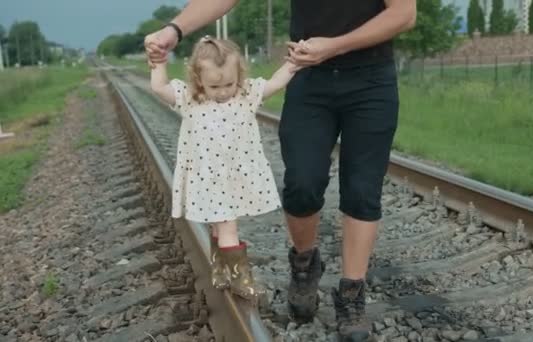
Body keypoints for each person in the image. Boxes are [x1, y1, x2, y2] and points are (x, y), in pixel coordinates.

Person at [145, 1, 416, 340]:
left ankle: (351, 296)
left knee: (362, 190)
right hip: (309, 77)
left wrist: (332, 46)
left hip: (371, 80)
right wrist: (174, 29)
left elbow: (404, 14)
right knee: (302, 183)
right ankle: (304, 266)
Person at [149, 35, 299, 301]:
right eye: (214, 86)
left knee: (221, 227)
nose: (223, 91)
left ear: (239, 75)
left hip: (236, 176)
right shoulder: (190, 98)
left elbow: (275, 83)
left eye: (229, 83)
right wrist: (158, 63)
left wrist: (292, 64)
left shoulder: (246, 94)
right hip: (209, 178)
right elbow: (160, 88)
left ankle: (219, 269)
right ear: (198, 79)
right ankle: (242, 279)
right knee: (228, 227)